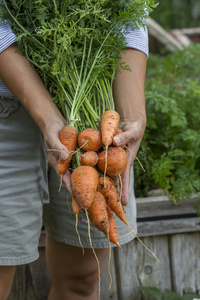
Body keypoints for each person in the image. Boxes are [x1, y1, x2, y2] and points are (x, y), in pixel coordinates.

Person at [0, 2, 148, 300]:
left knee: (83, 279)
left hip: (94, 129)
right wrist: (49, 117)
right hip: (6, 116)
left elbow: (129, 13)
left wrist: (132, 114)